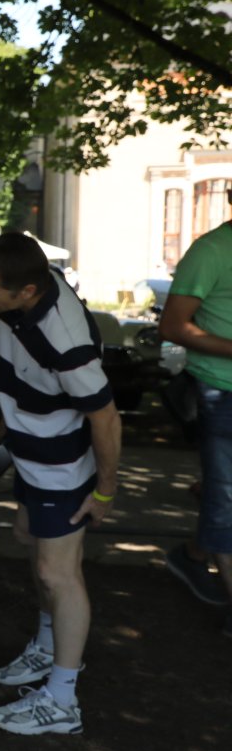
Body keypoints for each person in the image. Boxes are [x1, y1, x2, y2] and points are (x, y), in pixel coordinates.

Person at [0, 232, 120, 735]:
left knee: (59, 575)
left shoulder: (66, 344)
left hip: (62, 467)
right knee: (32, 547)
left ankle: (62, 700)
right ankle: (48, 646)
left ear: (28, 291)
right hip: (30, 453)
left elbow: (106, 418)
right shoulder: (27, 291)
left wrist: (104, 491)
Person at [159, 206, 232, 631]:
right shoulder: (211, 251)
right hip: (221, 391)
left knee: (222, 493)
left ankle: (193, 555)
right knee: (225, 498)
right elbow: (172, 327)